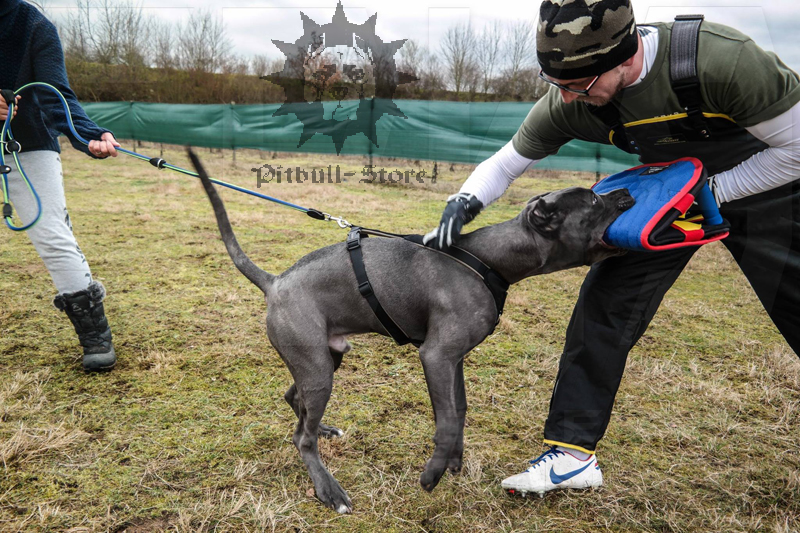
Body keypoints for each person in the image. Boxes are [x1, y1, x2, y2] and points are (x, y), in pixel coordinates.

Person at [424, 0, 800, 495]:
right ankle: (573, 457)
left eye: (580, 85)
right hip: (665, 193)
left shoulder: (722, 61)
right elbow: (507, 161)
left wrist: (708, 194)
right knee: (604, 308)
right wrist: (464, 201)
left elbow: (795, 149)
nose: (570, 97)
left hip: (766, 180)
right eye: (557, 85)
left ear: (625, 57)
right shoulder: (573, 95)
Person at [1, 0, 122, 371]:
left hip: (27, 144)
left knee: (53, 235)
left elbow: (57, 95)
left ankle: (94, 335)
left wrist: (89, 136)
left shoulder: (34, 25)